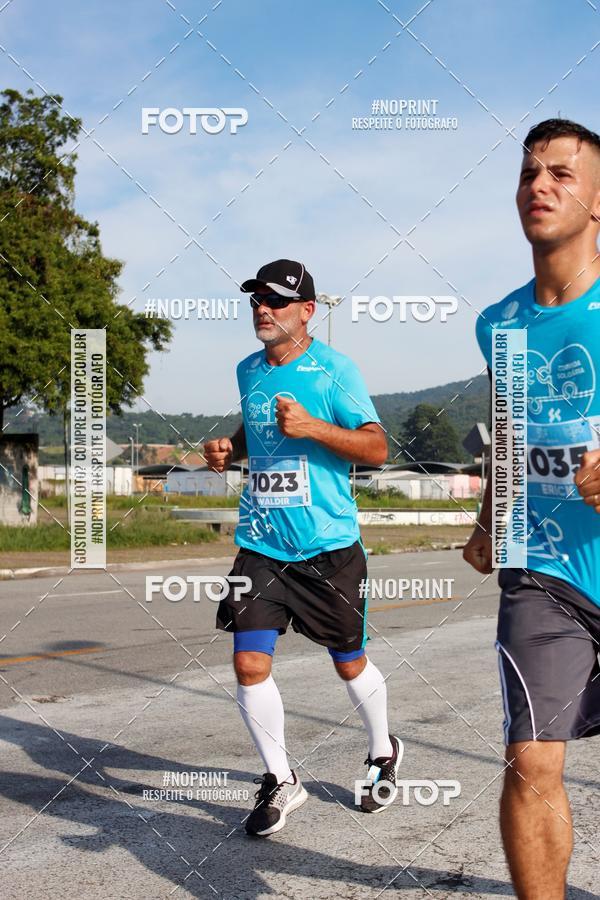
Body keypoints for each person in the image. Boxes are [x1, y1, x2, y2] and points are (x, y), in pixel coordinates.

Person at [204, 258, 401, 837]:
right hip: (262, 545)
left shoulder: (335, 370)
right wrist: (227, 451)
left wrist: (315, 427)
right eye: (256, 301)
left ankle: (382, 748)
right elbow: (253, 433)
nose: (262, 310)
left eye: (276, 301)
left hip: (328, 548)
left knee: (349, 662)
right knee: (248, 663)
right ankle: (282, 779)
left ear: (307, 311)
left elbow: (375, 448)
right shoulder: (248, 370)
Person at [463, 119, 600, 899]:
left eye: (561, 173)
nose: (539, 186)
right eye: (528, 174)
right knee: (532, 758)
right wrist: (489, 522)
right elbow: (510, 433)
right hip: (542, 569)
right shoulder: (500, 323)